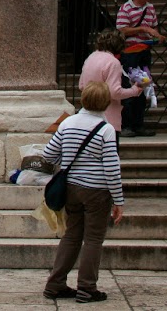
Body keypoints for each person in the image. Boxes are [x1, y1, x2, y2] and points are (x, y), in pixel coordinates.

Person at [41, 80, 125, 302]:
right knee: (94, 238)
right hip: (97, 191)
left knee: (72, 235)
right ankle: (87, 287)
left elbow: (48, 154)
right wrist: (119, 200)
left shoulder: (68, 123)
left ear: (84, 99)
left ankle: (55, 284)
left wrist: (67, 159)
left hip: (71, 188)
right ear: (106, 103)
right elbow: (112, 168)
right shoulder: (106, 130)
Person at [114, 0, 158, 137]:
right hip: (130, 54)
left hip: (144, 52)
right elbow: (122, 30)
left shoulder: (150, 8)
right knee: (128, 86)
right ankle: (126, 124)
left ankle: (139, 124)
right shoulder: (126, 8)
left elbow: (154, 27)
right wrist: (142, 29)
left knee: (143, 86)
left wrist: (154, 37)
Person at [79, 30, 142, 137]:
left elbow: (81, 85)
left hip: (88, 116)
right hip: (108, 117)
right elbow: (114, 92)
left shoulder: (91, 57)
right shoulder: (113, 62)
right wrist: (134, 90)